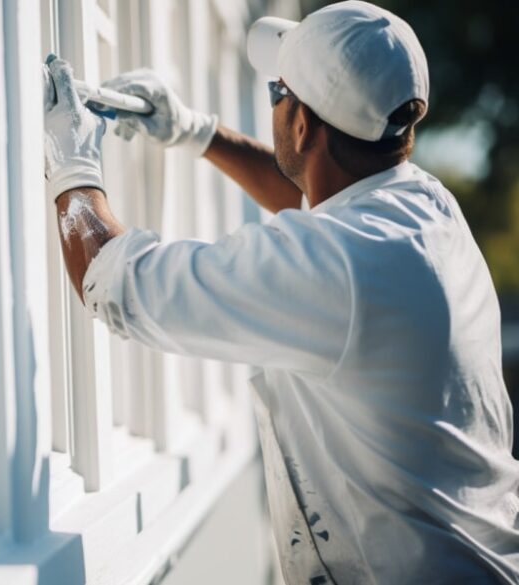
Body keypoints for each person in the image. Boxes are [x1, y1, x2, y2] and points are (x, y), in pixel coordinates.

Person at [42, 1, 519, 582]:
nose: (274, 102)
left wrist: (72, 165)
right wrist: (199, 131)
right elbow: (313, 194)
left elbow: (114, 280)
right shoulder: (423, 206)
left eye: (278, 91)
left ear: (301, 124)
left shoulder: (337, 270)